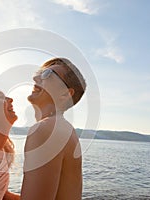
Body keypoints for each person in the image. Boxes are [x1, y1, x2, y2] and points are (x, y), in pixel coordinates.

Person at [21, 58, 86, 200]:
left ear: (65, 94)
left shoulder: (45, 130)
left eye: (47, 74)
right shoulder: (64, 129)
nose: (35, 77)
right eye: (40, 72)